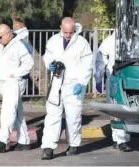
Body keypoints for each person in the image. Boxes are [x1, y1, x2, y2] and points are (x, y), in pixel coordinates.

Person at [40, 17, 93, 160]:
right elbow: (47, 57)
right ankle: (48, 147)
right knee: (52, 116)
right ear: (60, 28)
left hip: (74, 85)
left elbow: (88, 65)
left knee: (73, 116)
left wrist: (82, 83)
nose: (68, 35)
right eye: (66, 32)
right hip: (57, 83)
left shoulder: (82, 43)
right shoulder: (53, 41)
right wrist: (50, 64)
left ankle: (74, 144)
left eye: (71, 32)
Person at [0, 24, 34, 153]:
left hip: (14, 82)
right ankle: (24, 141)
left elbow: (29, 63)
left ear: (8, 34)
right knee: (17, 113)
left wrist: (15, 74)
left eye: (0, 37)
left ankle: (2, 140)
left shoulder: (19, 45)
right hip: (6, 83)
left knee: (8, 111)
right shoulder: (3, 45)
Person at [94, 32, 132, 152]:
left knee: (124, 109)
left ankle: (118, 139)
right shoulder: (110, 41)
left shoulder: (135, 39)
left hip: (129, 78)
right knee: (116, 109)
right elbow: (100, 60)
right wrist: (98, 78)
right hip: (114, 79)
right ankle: (120, 140)